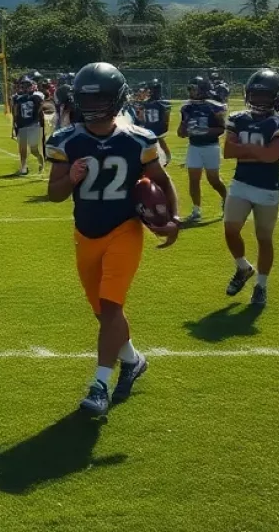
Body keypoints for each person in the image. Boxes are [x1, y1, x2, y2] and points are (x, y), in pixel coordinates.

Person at [46, 63, 180, 418]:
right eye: (86, 98)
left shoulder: (138, 138)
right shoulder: (65, 140)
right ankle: (133, 360)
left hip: (124, 230)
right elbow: (54, 195)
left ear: (116, 98)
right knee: (102, 312)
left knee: (111, 307)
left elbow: (163, 183)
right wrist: (71, 179)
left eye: (100, 97)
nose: (92, 105)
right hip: (85, 234)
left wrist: (173, 218)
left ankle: (99, 385)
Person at [221, 69, 279, 307]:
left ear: (275, 97)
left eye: (265, 96)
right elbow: (228, 152)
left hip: (267, 188)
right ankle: (243, 268)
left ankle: (261, 285)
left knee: (264, 237)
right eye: (255, 95)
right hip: (241, 183)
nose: (259, 100)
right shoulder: (237, 118)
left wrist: (246, 150)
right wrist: (259, 151)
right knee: (230, 229)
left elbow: (272, 156)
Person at [177, 75, 227, 224]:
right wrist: (186, 128)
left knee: (213, 180)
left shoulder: (214, 106)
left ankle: (226, 198)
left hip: (211, 146)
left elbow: (221, 128)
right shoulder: (186, 107)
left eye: (194, 89)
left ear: (203, 89)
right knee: (193, 180)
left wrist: (204, 131)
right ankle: (196, 210)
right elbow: (181, 133)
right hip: (194, 147)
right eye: (190, 89)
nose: (191, 92)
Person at [10, 75, 45, 176]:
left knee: (34, 149)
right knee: (22, 148)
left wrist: (38, 120)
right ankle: (24, 167)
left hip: (33, 125)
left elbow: (41, 108)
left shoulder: (37, 96)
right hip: (22, 125)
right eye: (24, 85)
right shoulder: (17, 97)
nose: (25, 87)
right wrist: (14, 125)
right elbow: (15, 112)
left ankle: (40, 161)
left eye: (27, 85)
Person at [137, 80, 173, 163]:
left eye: (151, 89)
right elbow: (142, 115)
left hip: (157, 126)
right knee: (148, 142)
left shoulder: (162, 102)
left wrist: (164, 126)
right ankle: (150, 157)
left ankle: (167, 155)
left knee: (160, 140)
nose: (149, 91)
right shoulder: (146, 102)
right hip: (149, 125)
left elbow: (166, 116)